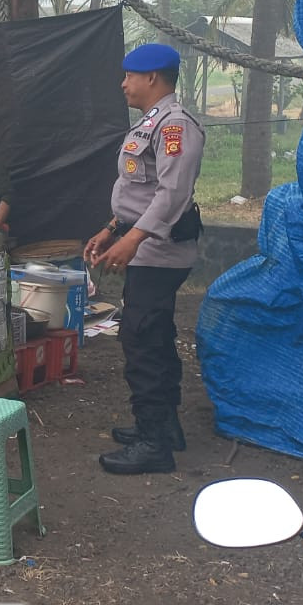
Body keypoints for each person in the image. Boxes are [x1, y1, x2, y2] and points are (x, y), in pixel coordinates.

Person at [83, 43, 206, 476]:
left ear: (152, 77)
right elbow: (141, 190)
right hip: (145, 244)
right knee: (152, 334)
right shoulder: (152, 124)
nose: (123, 83)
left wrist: (133, 239)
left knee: (142, 337)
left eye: (129, 75)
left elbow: (173, 194)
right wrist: (113, 228)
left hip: (159, 250)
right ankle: (163, 426)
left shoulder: (176, 127)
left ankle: (154, 443)